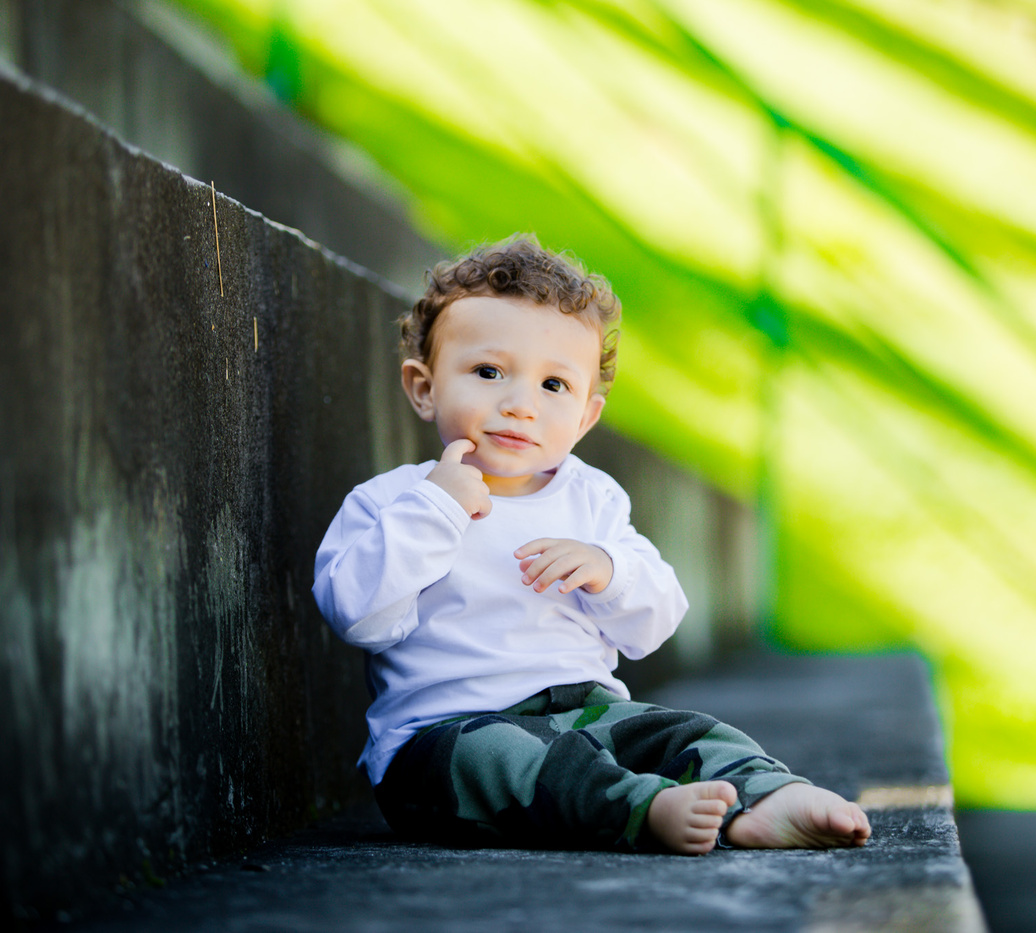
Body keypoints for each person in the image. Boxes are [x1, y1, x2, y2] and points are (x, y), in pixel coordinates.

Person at [312, 235, 871, 855]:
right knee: (506, 757)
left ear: (584, 416)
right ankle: (642, 810)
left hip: (587, 713)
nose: (520, 405)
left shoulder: (593, 500)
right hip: (445, 739)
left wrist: (610, 570)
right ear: (424, 388)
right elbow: (357, 615)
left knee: (682, 732)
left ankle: (765, 796)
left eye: (553, 385)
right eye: (489, 372)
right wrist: (436, 508)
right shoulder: (395, 501)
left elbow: (654, 622)